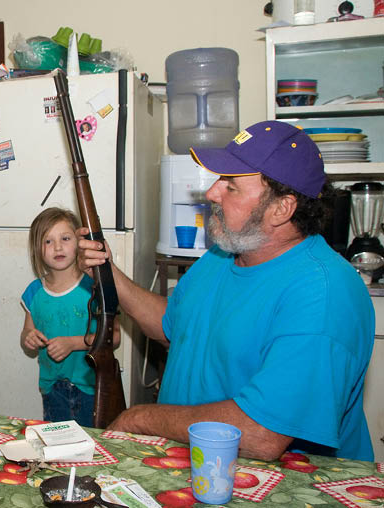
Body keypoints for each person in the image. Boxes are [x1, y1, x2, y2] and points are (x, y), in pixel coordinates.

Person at [78, 121, 374, 461]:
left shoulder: (323, 293)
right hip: (198, 467)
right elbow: (174, 326)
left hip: (287, 487)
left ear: (282, 208)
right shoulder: (224, 254)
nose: (212, 193)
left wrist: (141, 418)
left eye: (231, 186)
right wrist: (110, 275)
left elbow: (261, 434)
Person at [20, 208, 120, 427]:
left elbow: (116, 337)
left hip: (91, 387)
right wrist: (29, 337)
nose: (57, 247)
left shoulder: (95, 286)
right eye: (48, 241)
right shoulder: (34, 291)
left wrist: (72, 344)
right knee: (58, 451)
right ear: (37, 249)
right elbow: (26, 334)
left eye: (65, 238)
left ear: (79, 242)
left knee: (92, 451)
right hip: (51, 389)